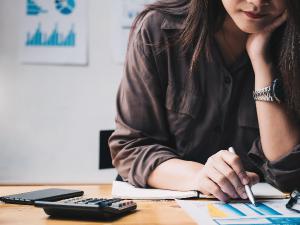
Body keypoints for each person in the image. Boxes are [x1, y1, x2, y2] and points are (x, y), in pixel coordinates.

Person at [109, 0, 300, 202]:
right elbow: (130, 147)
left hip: (258, 211)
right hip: (165, 210)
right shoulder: (159, 30)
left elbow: (288, 174)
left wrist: (261, 61)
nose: (257, 2)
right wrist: (199, 176)